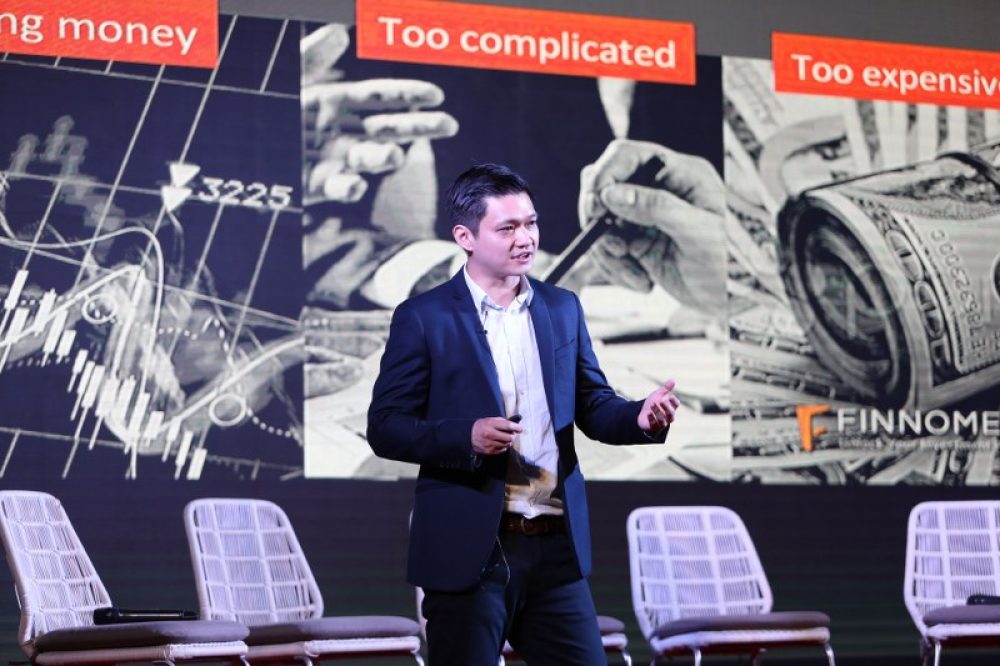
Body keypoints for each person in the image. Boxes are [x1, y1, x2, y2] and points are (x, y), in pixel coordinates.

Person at [367, 163, 680, 664]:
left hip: (554, 544)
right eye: (507, 227)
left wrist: (639, 418)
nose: (526, 238)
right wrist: (465, 436)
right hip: (472, 547)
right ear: (465, 237)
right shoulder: (424, 317)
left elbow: (593, 405)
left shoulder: (561, 307)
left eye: (531, 223)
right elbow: (386, 427)